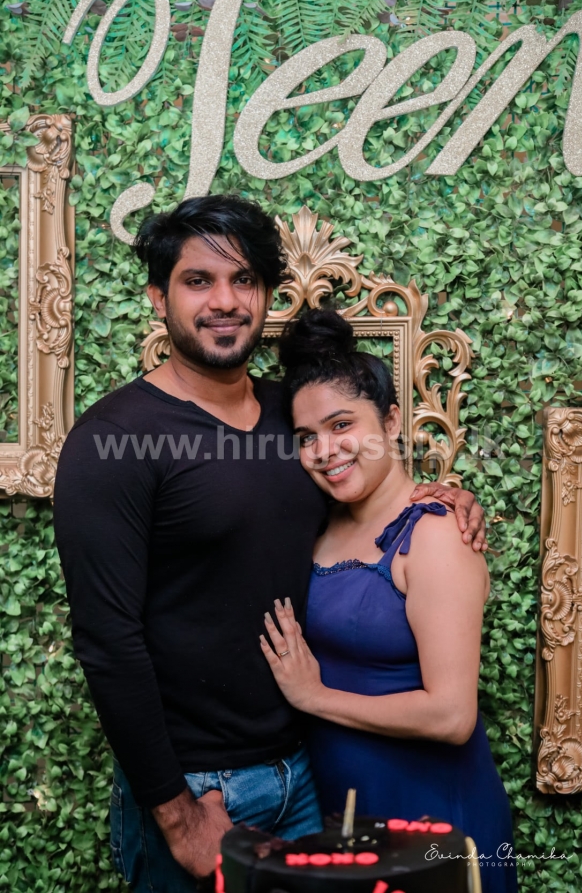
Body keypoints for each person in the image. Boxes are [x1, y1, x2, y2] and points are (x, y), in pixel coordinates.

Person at [53, 194, 487, 893]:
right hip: (202, 792)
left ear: (265, 295)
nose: (225, 301)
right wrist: (178, 817)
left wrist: (443, 498)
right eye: (198, 281)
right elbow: (107, 642)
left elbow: (365, 489)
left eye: (244, 280)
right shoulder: (113, 441)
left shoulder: (296, 415)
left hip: (311, 772)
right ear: (159, 298)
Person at [260, 309, 518, 893]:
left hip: (431, 817)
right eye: (306, 437)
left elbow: (452, 716)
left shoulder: (437, 533)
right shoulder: (320, 524)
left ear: (392, 420)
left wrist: (314, 697)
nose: (325, 450)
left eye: (341, 424)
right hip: (344, 816)